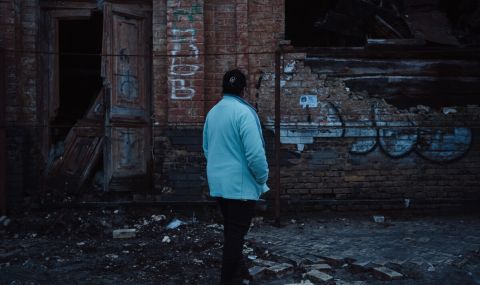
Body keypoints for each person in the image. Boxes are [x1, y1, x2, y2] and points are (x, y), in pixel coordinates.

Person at [203, 69, 269, 285]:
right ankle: (228, 280)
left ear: (223, 87)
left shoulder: (213, 113)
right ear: (244, 89)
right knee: (235, 234)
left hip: (219, 185)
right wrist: (262, 178)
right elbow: (255, 155)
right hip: (240, 186)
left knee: (231, 230)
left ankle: (239, 273)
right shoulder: (244, 113)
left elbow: (206, 148)